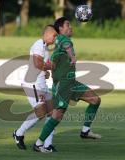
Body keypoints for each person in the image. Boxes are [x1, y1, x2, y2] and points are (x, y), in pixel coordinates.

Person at [33, 17, 101, 153]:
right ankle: (39, 144)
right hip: (63, 85)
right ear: (60, 29)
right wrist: (72, 56)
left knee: (95, 100)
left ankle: (85, 131)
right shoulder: (62, 39)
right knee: (57, 115)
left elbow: (54, 62)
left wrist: (49, 68)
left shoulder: (59, 43)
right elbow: (67, 46)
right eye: (67, 25)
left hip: (71, 82)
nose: (71, 27)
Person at [13, 25, 58, 152]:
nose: (55, 38)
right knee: (41, 112)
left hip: (41, 84)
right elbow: (38, 64)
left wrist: (47, 72)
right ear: (47, 33)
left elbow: (42, 67)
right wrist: (52, 67)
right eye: (54, 35)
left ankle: (47, 144)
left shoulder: (46, 50)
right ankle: (19, 133)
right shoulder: (39, 43)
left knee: (53, 113)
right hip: (33, 84)